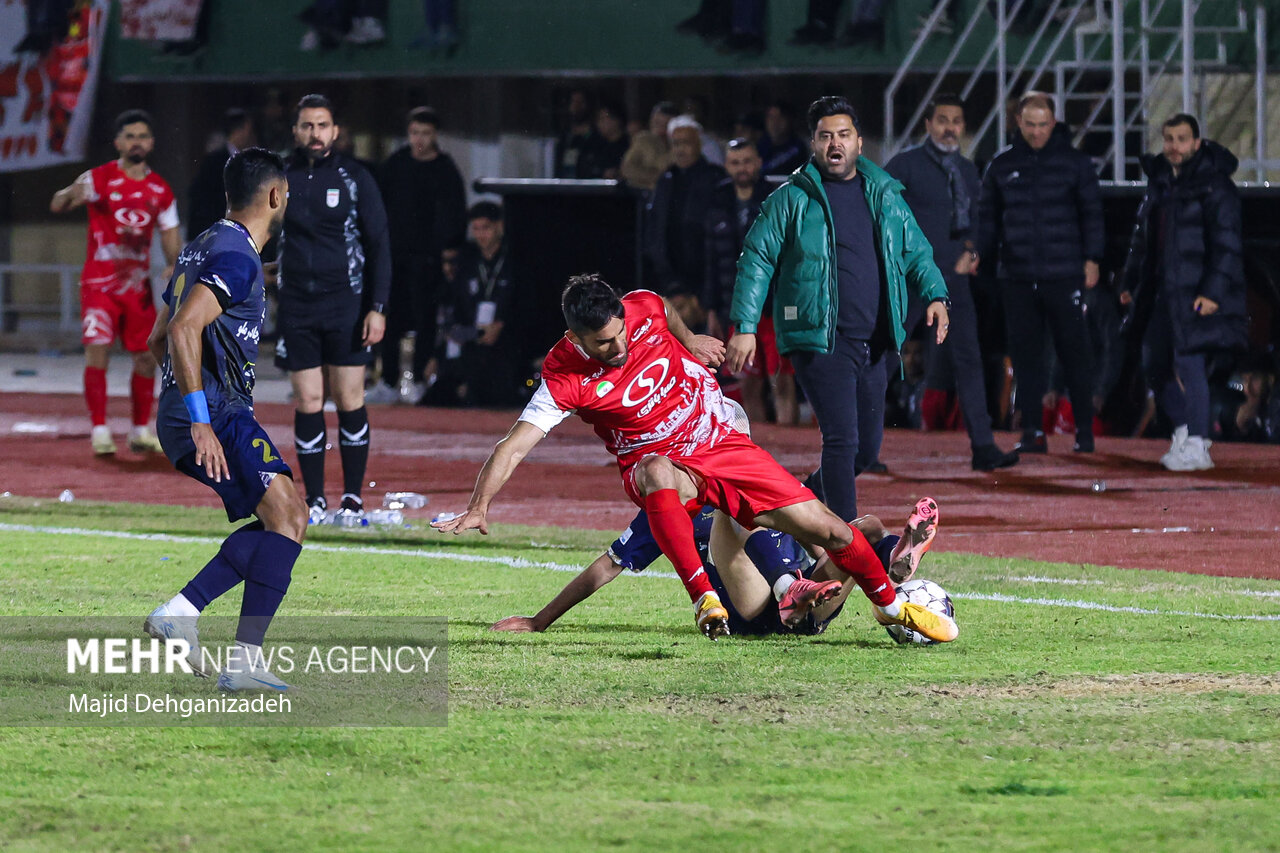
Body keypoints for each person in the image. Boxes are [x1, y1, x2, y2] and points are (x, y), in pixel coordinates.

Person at [434, 274, 958, 646]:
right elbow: (514, 445)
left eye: (621, 334)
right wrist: (480, 507)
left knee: (840, 530)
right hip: (677, 473)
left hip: (722, 441)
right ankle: (718, 595)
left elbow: (660, 305)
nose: (617, 348)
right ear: (574, 337)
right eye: (602, 344)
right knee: (660, 474)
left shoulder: (639, 307)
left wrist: (689, 339)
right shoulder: (562, 377)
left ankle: (891, 607)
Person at [726, 96, 951, 523]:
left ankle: (791, 510)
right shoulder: (790, 199)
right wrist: (746, 325)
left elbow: (917, 252)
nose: (835, 144)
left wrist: (937, 296)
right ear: (813, 142)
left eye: (843, 135)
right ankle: (845, 543)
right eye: (826, 136)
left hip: (878, 341)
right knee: (842, 441)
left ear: (859, 143)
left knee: (866, 450)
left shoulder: (884, 193)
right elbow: (756, 258)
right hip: (821, 340)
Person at [142, 147, 308, 692]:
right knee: (289, 516)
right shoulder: (236, 258)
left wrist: (178, 400)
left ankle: (183, 612)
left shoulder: (202, 246)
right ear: (277, 195)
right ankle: (240, 661)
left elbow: (156, 336)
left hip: (197, 409)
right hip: (216, 412)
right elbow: (185, 330)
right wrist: (200, 418)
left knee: (278, 519)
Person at [884, 94, 1019, 471]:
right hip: (912, 279)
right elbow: (881, 213)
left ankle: (983, 446)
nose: (949, 127)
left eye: (956, 120)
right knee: (883, 359)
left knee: (969, 360)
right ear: (928, 124)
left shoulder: (968, 169)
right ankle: (861, 450)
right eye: (942, 119)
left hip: (954, 282)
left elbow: (978, 218)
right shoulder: (904, 165)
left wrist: (973, 251)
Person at [273, 94, 390, 523]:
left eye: (322, 125)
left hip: (347, 305)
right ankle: (316, 499)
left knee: (348, 399)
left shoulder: (356, 177)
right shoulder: (278, 177)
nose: (315, 134)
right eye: (307, 126)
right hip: (297, 307)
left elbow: (379, 246)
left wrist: (377, 307)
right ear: (296, 131)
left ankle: (354, 497)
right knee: (308, 400)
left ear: (335, 131)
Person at [1118, 114, 1248, 472]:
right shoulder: (1159, 183)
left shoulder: (1216, 187)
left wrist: (1213, 293)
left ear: (1197, 142)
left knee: (1191, 365)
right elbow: (1141, 240)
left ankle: (1198, 444)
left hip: (1195, 292)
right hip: (1160, 291)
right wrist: (1130, 284)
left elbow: (1227, 246)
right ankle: (1183, 430)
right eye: (1169, 138)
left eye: (1182, 139)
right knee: (1154, 364)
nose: (1174, 146)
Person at [976, 91, 1104, 455]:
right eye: (1029, 125)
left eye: (1043, 125)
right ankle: (1032, 430)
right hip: (1016, 276)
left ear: (1054, 122)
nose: (1036, 132)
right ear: (1018, 122)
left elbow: (1092, 214)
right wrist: (977, 253)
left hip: (1064, 275)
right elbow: (988, 219)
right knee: (1025, 355)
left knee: (1074, 353)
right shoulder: (1002, 166)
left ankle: (1084, 432)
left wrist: (1093, 259)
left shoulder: (1075, 164)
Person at [50, 109, 182, 457]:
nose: (136, 142)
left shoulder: (160, 190)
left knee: (145, 357)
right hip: (100, 286)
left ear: (150, 143)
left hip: (136, 288)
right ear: (118, 142)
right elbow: (58, 203)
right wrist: (69, 193)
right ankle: (99, 429)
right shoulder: (99, 178)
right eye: (130, 136)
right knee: (98, 352)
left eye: (142, 136)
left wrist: (173, 264)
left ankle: (139, 429)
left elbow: (170, 233)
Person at [371, 106, 466, 404]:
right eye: (414, 133)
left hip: (428, 258)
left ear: (435, 134)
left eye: (425, 133)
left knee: (425, 321)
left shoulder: (446, 170)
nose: (420, 139)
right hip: (395, 255)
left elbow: (455, 215)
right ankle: (387, 381)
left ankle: (421, 381)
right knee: (390, 318)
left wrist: (449, 252)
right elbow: (378, 206)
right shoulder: (396, 165)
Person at [705, 137, 798, 425]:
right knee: (748, 385)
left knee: (781, 381)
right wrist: (711, 308)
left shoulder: (779, 199)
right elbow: (710, 260)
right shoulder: (716, 201)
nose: (742, 168)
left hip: (775, 309)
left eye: (747, 161)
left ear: (759, 163)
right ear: (726, 166)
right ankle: (759, 452)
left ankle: (791, 452)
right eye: (735, 162)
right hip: (735, 308)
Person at [424, 202, 522, 407]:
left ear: (499, 227)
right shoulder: (467, 262)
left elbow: (525, 303)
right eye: (476, 229)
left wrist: (501, 324)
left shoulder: (515, 262)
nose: (480, 235)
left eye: (485, 228)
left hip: (506, 344)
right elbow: (457, 306)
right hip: (473, 345)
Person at [645, 115, 726, 310]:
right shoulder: (665, 180)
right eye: (676, 143)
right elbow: (654, 233)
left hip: (706, 286)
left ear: (698, 143)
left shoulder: (716, 178)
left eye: (686, 143)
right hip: (670, 285)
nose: (680, 149)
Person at [187, 109, 256, 240]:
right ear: (242, 130)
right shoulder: (215, 161)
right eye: (249, 129)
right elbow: (201, 199)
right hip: (215, 233)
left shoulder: (245, 159)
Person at [620, 101, 678, 192]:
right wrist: (656, 177)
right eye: (657, 122)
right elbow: (628, 168)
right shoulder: (643, 139)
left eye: (665, 124)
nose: (661, 127)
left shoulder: (679, 142)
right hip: (649, 192)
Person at [577, 100, 630, 180]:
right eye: (598, 119)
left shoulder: (629, 144)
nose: (599, 123)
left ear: (617, 120)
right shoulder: (593, 144)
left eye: (603, 118)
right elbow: (582, 169)